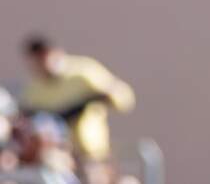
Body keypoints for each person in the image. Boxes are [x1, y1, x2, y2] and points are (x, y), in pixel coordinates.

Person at [20, 36, 134, 181]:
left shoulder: (83, 73)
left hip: (91, 153)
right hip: (62, 155)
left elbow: (123, 97)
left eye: (46, 56)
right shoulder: (34, 89)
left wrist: (104, 96)